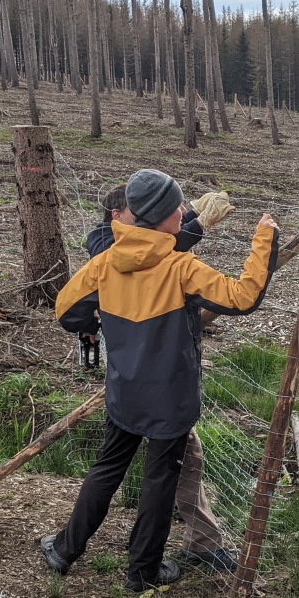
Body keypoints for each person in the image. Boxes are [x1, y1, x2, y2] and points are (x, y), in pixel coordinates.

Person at [43, 169, 279, 591]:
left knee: (107, 468)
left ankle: (64, 549)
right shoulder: (181, 267)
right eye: (180, 207)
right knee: (160, 483)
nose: (186, 212)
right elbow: (242, 296)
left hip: (124, 389)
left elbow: (67, 312)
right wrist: (264, 238)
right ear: (167, 218)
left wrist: (105, 325)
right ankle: (142, 573)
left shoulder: (104, 264)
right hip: (170, 398)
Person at [80, 185, 239, 573]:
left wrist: (187, 217)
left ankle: (72, 548)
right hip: (155, 385)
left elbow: (159, 245)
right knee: (159, 475)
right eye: (141, 215)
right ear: (117, 217)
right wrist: (197, 223)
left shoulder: (133, 240)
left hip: (136, 380)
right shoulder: (104, 244)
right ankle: (146, 565)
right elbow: (155, 255)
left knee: (161, 465)